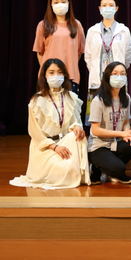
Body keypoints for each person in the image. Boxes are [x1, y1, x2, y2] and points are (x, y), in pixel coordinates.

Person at [10, 58, 90, 189]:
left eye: (60, 72)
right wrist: (55, 147)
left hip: (65, 144)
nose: (56, 76)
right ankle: (65, 170)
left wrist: (77, 127)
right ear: (45, 76)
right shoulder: (37, 101)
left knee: (79, 138)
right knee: (63, 173)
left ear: (65, 75)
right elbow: (35, 133)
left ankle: (72, 170)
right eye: (51, 72)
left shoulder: (72, 97)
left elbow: (77, 121)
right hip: (45, 148)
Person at [84, 0, 131, 123]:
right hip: (97, 80)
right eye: (104, 5)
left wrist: (119, 72)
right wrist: (96, 71)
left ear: (116, 8)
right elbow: (88, 57)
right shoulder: (92, 31)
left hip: (118, 79)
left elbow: (128, 55)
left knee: (117, 116)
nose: (107, 8)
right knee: (96, 118)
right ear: (99, 8)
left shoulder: (124, 30)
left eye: (111, 5)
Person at [87, 62, 131, 185]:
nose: (119, 77)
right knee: (119, 169)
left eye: (123, 74)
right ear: (107, 77)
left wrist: (127, 133)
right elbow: (95, 130)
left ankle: (109, 169)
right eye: (115, 74)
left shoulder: (126, 97)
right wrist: (121, 134)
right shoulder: (98, 100)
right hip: (98, 146)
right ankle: (97, 167)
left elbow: (126, 122)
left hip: (115, 143)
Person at [33, 0, 86, 94]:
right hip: (49, 77)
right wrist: (49, 70)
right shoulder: (43, 25)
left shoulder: (77, 25)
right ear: (51, 5)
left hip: (70, 76)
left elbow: (79, 52)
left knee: (69, 104)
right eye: (56, 2)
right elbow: (40, 52)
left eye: (63, 1)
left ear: (68, 4)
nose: (60, 5)